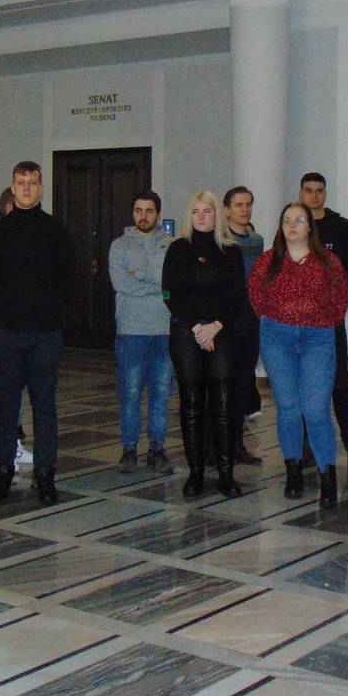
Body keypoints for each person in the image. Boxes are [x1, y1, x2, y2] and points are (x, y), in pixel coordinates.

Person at [0, 161, 74, 504]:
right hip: (5, 333)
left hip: (44, 334)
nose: (26, 188)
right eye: (20, 182)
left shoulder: (55, 230)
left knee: (45, 407)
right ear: (13, 187)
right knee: (6, 407)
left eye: (32, 182)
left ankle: (45, 473)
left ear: (41, 188)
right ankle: (4, 470)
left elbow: (68, 279)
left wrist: (46, 309)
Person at [249, 202, 348, 506]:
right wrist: (278, 319)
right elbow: (256, 296)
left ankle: (327, 476)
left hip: (318, 338)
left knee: (316, 410)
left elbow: (340, 299)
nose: (292, 225)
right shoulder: (268, 261)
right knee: (289, 408)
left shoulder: (328, 261)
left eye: (299, 220)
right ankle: (293, 470)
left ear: (310, 227)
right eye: (287, 220)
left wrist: (318, 321)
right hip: (277, 338)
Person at [163, 191, 244, 498]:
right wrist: (198, 328)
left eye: (207, 211)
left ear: (216, 214)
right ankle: (195, 473)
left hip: (221, 331)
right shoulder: (178, 249)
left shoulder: (231, 250)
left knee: (222, 405)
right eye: (196, 211)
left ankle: (226, 474)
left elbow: (237, 295)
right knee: (191, 404)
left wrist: (215, 327)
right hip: (187, 331)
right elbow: (169, 293)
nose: (201, 217)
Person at [110, 190, 175, 474]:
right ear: (132, 213)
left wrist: (140, 279)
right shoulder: (119, 246)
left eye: (149, 211)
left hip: (164, 330)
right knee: (130, 393)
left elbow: (173, 285)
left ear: (158, 214)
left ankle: (157, 450)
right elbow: (120, 283)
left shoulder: (172, 246)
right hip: (131, 331)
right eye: (139, 210)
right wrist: (156, 287)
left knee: (161, 395)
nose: (143, 216)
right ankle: (129, 450)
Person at [298, 173, 348, 465]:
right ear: (301, 193)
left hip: (331, 319)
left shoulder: (342, 227)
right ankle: (307, 446)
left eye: (319, 191)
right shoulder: (293, 225)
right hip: (299, 320)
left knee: (339, 382)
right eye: (308, 190)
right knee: (305, 385)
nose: (314, 195)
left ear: (325, 193)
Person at [223, 186, 265, 466]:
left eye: (248, 204)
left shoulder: (257, 241)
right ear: (227, 209)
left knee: (243, 383)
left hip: (250, 322)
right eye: (239, 204)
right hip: (226, 321)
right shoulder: (221, 241)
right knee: (223, 385)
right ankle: (219, 445)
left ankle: (237, 444)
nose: (245, 209)